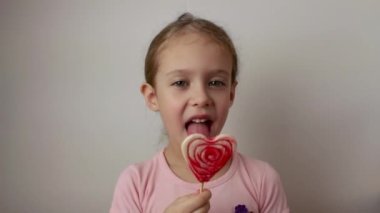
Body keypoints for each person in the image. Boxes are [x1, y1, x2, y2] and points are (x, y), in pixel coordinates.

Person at [110, 13, 290, 213]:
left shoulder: (262, 179)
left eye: (215, 83)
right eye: (180, 83)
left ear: (231, 93)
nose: (201, 97)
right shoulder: (136, 183)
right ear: (153, 97)